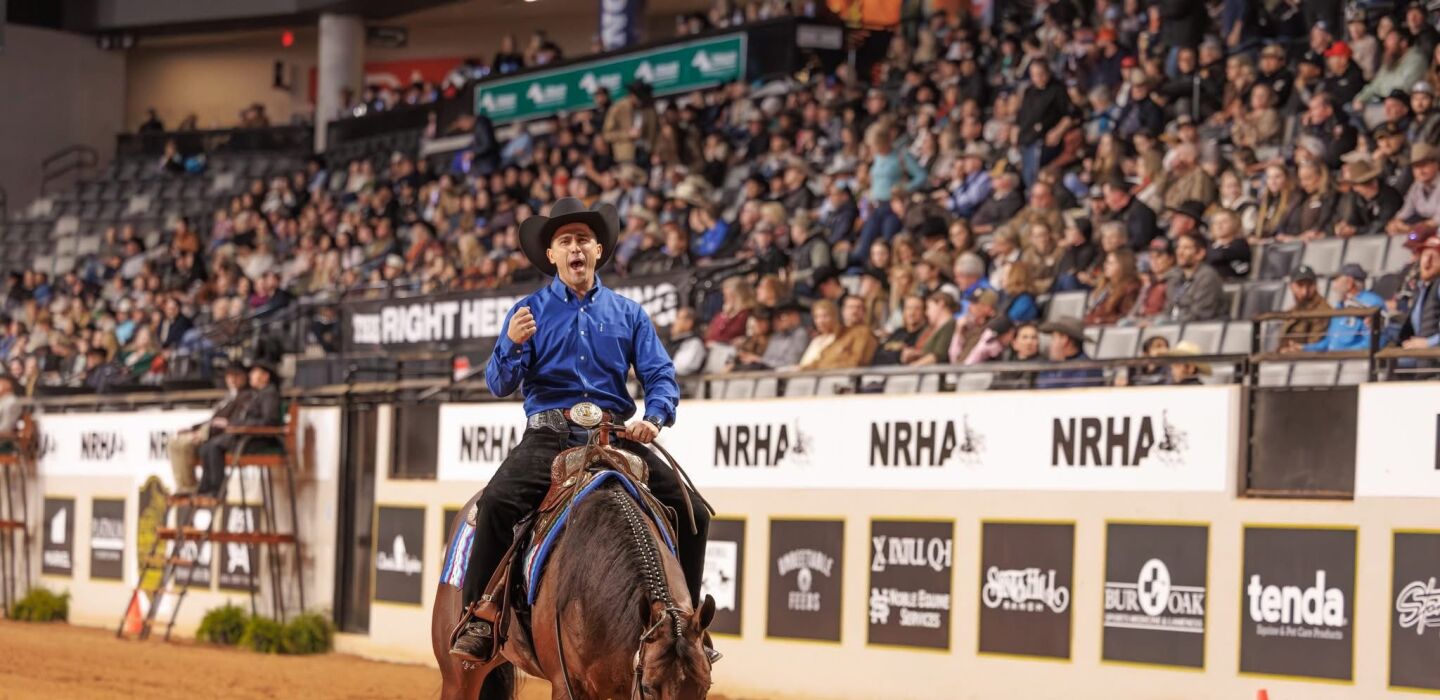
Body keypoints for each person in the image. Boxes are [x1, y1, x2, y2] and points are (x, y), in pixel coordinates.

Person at [450, 198, 712, 664]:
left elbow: (660, 375)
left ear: (598, 250)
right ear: (551, 254)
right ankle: (481, 615)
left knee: (692, 510)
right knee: (496, 503)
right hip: (548, 435)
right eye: (565, 241)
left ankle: (682, 628)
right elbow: (498, 383)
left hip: (615, 436)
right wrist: (510, 346)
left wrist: (654, 418)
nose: (575, 249)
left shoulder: (629, 314)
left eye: (583, 240)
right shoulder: (527, 311)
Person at [196, 362, 280, 497]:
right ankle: (205, 487)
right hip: (246, 435)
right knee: (206, 446)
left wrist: (242, 425)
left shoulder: (269, 394)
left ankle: (217, 489)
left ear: (265, 376)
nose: (250, 375)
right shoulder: (257, 394)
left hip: (259, 439)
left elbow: (269, 421)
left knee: (214, 446)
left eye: (254, 372)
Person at [169, 364, 250, 494]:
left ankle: (189, 486)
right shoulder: (228, 397)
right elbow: (213, 419)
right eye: (229, 376)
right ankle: (183, 484)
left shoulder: (246, 396)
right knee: (174, 443)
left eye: (236, 376)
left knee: (185, 444)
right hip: (210, 431)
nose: (232, 380)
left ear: (244, 377)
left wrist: (203, 434)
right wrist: (192, 429)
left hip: (221, 435)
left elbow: (227, 423)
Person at [1300, 264, 1386, 352]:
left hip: (1357, 362)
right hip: (1334, 361)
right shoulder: (1340, 306)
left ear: (1349, 282)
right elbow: (1329, 342)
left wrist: (1343, 353)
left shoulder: (1371, 303)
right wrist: (1303, 348)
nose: (1334, 286)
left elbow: (1375, 343)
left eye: (1336, 280)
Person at [1163, 233, 1228, 322]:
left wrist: (1168, 324)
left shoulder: (1207, 277)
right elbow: (1168, 309)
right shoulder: (1175, 276)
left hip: (1201, 330)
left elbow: (1199, 315)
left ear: (1200, 253)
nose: (1179, 252)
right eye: (1179, 247)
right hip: (1176, 328)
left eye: (1186, 248)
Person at [799, 296, 877, 370]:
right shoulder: (841, 334)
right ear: (843, 311)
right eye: (850, 307)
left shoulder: (863, 333)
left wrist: (817, 367)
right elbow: (824, 358)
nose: (854, 311)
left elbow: (855, 362)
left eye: (858, 308)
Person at [1034, 318, 1102, 389]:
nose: (1050, 344)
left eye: (1053, 338)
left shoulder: (1088, 369)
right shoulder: (1053, 363)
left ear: (1064, 340)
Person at [1084, 249, 1142, 325]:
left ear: (1123, 266)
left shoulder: (1131, 288)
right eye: (1106, 262)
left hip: (1108, 329)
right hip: (1094, 326)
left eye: (1110, 263)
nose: (1105, 265)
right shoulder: (1106, 287)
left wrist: (1100, 320)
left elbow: (1125, 318)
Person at [1279, 266, 1331, 350]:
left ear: (1315, 285)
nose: (1305, 291)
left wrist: (1294, 349)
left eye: (1309, 285)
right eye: (1300, 285)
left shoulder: (1323, 311)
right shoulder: (1293, 310)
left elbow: (1314, 346)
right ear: (1291, 286)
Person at [873, 295, 926, 366]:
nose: (912, 313)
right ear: (904, 312)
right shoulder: (898, 332)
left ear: (924, 312)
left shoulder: (926, 333)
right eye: (909, 308)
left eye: (917, 309)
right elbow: (878, 356)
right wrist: (899, 355)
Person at [665, 307, 707, 377]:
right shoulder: (672, 343)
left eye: (678, 318)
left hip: (684, 386)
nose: (674, 322)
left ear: (689, 323)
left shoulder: (694, 343)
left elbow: (681, 367)